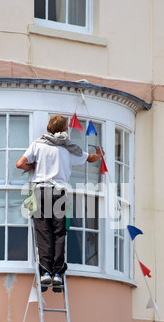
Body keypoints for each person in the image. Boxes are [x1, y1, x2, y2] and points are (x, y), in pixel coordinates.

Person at [16, 114, 104, 287]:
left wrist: (34, 166)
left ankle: (45, 272)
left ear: (49, 127)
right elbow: (90, 158)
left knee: (43, 231)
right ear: (64, 129)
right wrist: (100, 154)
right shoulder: (69, 148)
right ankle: (57, 274)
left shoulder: (38, 144)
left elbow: (20, 164)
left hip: (41, 191)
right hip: (59, 193)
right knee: (59, 233)